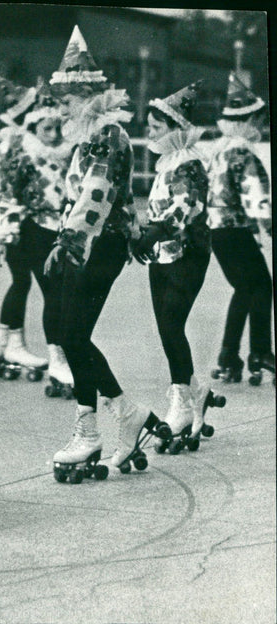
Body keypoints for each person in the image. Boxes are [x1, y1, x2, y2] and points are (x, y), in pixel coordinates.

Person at [44, 26, 170, 483]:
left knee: (72, 334)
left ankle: (103, 423)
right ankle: (116, 416)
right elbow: (105, 196)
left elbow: (97, 195)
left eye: (66, 100)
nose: (61, 108)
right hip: (94, 243)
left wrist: (67, 240)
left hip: (98, 245)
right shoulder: (95, 136)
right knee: (70, 332)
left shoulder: (107, 134)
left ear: (87, 96)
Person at [139, 82, 226, 453]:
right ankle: (196, 392)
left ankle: (183, 406)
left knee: (172, 325)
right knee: (166, 329)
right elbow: (159, 208)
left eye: (156, 126)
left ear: (175, 128)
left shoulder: (189, 163)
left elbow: (186, 207)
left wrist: (152, 233)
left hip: (187, 255)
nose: (149, 132)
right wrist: (143, 236)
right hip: (163, 254)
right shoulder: (166, 163)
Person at [0, 80, 75, 392]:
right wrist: (2, 237)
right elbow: (8, 197)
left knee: (51, 290)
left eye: (57, 129)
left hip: (56, 229)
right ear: (34, 127)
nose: (52, 135)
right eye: (46, 129)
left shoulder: (65, 157)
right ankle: (54, 357)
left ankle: (10, 344)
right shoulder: (24, 157)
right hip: (31, 230)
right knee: (48, 289)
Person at [206, 72, 273, 386]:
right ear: (245, 121)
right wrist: (268, 225)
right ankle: (259, 352)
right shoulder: (243, 153)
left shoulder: (220, 150)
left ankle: (230, 356)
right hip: (235, 229)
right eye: (257, 121)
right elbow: (254, 192)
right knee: (260, 286)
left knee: (247, 289)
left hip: (218, 230)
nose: (259, 127)